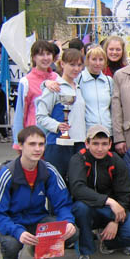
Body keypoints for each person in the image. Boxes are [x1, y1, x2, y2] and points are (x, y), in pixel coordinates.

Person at [0, 126, 78, 259]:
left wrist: (68, 221)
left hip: (38, 219)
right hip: (13, 222)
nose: (37, 149)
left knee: (73, 232)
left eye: (41, 144)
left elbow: (63, 203)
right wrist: (18, 232)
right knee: (11, 244)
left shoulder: (49, 171)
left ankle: (39, 250)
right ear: (20, 146)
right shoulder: (7, 173)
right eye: (32, 144)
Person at [69, 125, 130, 259]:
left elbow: (124, 192)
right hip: (88, 207)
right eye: (95, 143)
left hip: (109, 210)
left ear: (110, 144)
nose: (100, 148)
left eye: (104, 144)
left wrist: (114, 221)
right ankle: (84, 254)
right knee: (80, 208)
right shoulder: (78, 159)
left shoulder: (115, 160)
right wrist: (108, 201)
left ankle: (107, 242)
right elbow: (78, 189)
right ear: (87, 143)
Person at [35, 48, 86, 179]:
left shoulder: (79, 88)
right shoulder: (54, 87)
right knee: (57, 182)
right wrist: (57, 125)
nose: (76, 69)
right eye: (72, 64)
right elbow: (40, 116)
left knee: (76, 183)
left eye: (79, 65)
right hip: (58, 144)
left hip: (79, 143)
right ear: (62, 64)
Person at [12, 40, 58, 149]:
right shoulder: (26, 81)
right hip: (33, 136)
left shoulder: (57, 78)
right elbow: (20, 113)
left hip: (54, 136)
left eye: (48, 54)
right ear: (34, 57)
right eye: (41, 54)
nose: (45, 58)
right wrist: (17, 142)